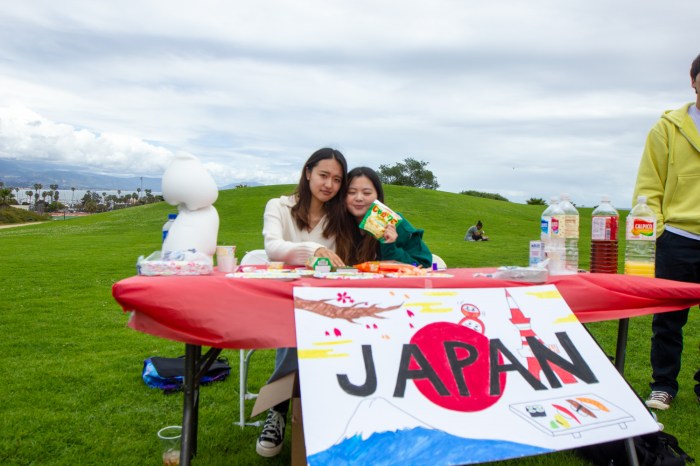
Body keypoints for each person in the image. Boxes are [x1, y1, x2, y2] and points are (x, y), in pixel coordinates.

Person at [256, 147, 351, 457]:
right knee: (297, 328)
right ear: (308, 171)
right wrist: (314, 250)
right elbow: (272, 247)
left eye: (337, 179)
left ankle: (320, 411)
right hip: (283, 299)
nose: (329, 185)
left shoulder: (339, 216)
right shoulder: (279, 206)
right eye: (324, 175)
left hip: (325, 302)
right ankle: (279, 410)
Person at [632, 53, 700, 410]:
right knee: (669, 319)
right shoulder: (668, 127)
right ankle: (663, 386)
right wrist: (659, 232)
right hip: (678, 237)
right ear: (693, 80)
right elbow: (649, 184)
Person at [343, 166, 432, 267]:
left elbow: (424, 264)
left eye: (366, 193)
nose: (359, 198)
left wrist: (390, 246)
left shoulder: (395, 223)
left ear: (378, 195)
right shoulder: (335, 223)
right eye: (351, 192)